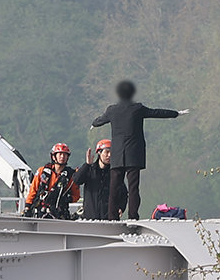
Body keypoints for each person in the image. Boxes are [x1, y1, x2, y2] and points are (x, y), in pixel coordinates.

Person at [91, 80, 189, 220]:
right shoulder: (137, 108)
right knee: (133, 188)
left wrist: (93, 124)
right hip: (133, 154)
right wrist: (176, 113)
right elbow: (157, 113)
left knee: (114, 189)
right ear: (132, 94)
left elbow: (99, 121)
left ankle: (112, 217)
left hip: (117, 154)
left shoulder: (112, 110)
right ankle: (132, 216)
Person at [24, 143, 80, 219]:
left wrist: (67, 199)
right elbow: (33, 190)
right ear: (54, 156)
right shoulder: (42, 171)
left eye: (65, 155)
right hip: (41, 211)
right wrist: (27, 207)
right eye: (60, 154)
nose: (62, 157)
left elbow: (76, 196)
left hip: (60, 212)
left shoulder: (71, 175)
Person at [73, 139, 127, 220]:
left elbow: (124, 193)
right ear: (99, 152)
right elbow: (77, 180)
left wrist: (121, 207)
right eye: (107, 152)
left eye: (111, 152)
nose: (109, 155)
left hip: (109, 218)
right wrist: (87, 165)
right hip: (90, 218)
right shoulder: (90, 170)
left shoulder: (115, 173)